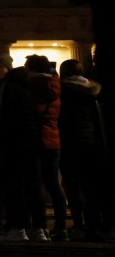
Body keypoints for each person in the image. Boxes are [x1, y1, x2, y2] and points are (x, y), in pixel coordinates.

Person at [0, 57, 44, 242]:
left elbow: (5, 118)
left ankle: (17, 227)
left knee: (15, 187)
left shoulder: (8, 88)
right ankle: (38, 229)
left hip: (14, 144)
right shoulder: (28, 90)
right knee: (34, 187)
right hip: (32, 144)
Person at [57, 58, 109, 241]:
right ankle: (93, 224)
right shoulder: (94, 91)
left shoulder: (63, 91)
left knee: (71, 185)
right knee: (90, 187)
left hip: (69, 143)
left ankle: (78, 224)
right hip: (91, 144)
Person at [25, 54, 68, 241]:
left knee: (35, 185)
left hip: (36, 140)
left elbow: (31, 112)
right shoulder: (56, 86)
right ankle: (61, 226)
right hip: (54, 140)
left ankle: (39, 227)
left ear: (32, 69)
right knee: (53, 184)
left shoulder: (32, 87)